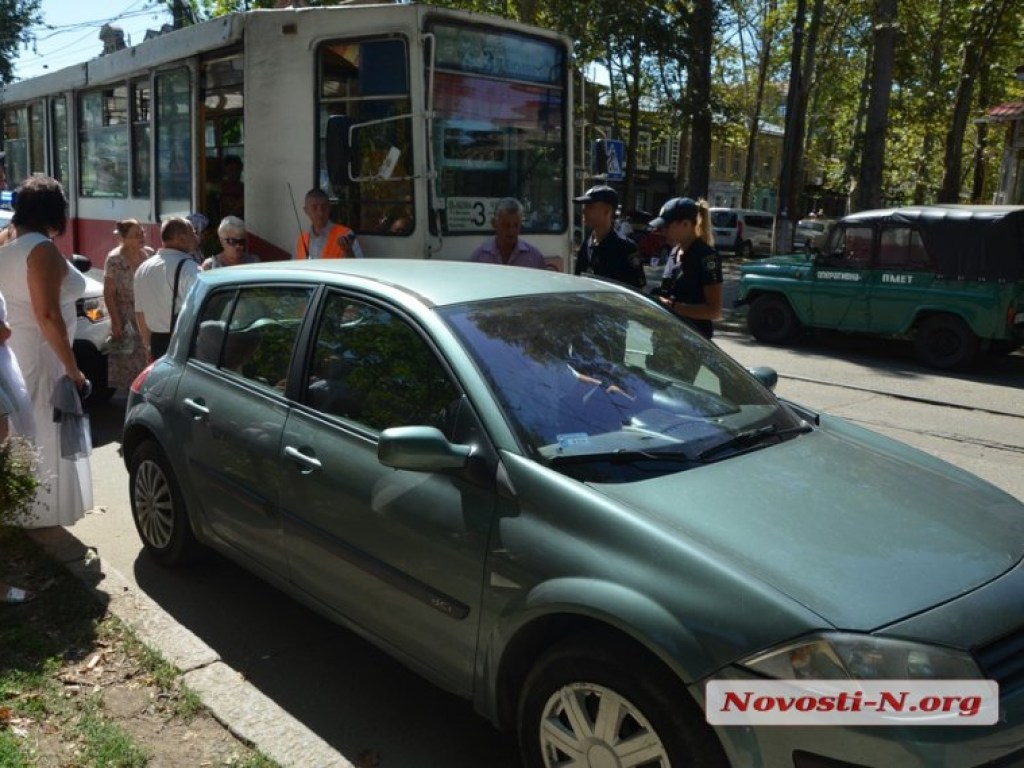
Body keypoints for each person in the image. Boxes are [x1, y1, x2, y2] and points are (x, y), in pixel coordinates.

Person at [0, 175, 92, 529]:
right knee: (44, 433)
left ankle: (22, 510)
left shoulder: (8, 243)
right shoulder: (40, 249)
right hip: (43, 355)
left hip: (15, 355)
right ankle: (40, 515)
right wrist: (74, 369)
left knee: (24, 431)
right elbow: (48, 314)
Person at [650, 197, 723, 339]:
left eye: (667, 226)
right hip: (666, 336)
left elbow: (714, 311)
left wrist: (672, 307)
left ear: (685, 224)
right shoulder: (674, 251)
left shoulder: (706, 257)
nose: (662, 231)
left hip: (692, 341)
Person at [134, 217, 201, 360]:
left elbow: (140, 313)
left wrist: (148, 347)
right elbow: (199, 310)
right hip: (182, 343)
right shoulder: (190, 268)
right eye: (193, 233)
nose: (196, 237)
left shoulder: (143, 268)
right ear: (182, 239)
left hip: (156, 343)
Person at [103, 219, 153, 392]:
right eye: (136, 235)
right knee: (130, 361)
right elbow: (109, 294)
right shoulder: (114, 259)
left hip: (147, 313)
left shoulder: (148, 254)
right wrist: (116, 323)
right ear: (124, 238)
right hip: (127, 314)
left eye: (142, 233)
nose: (141, 237)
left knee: (148, 356)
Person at [573, 185, 645, 289]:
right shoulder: (586, 245)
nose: (584, 211)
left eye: (590, 206)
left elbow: (636, 290)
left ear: (607, 211)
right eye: (584, 206)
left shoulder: (625, 248)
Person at [470, 198, 547, 269]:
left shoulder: (534, 258)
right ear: (494, 224)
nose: (511, 231)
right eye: (506, 225)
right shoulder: (479, 258)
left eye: (516, 225)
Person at [294, 188, 363, 260]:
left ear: (329, 208)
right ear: (306, 210)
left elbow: (358, 267)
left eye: (324, 208)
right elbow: (293, 269)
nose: (320, 213)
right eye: (314, 208)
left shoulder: (346, 235)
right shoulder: (300, 240)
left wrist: (348, 251)